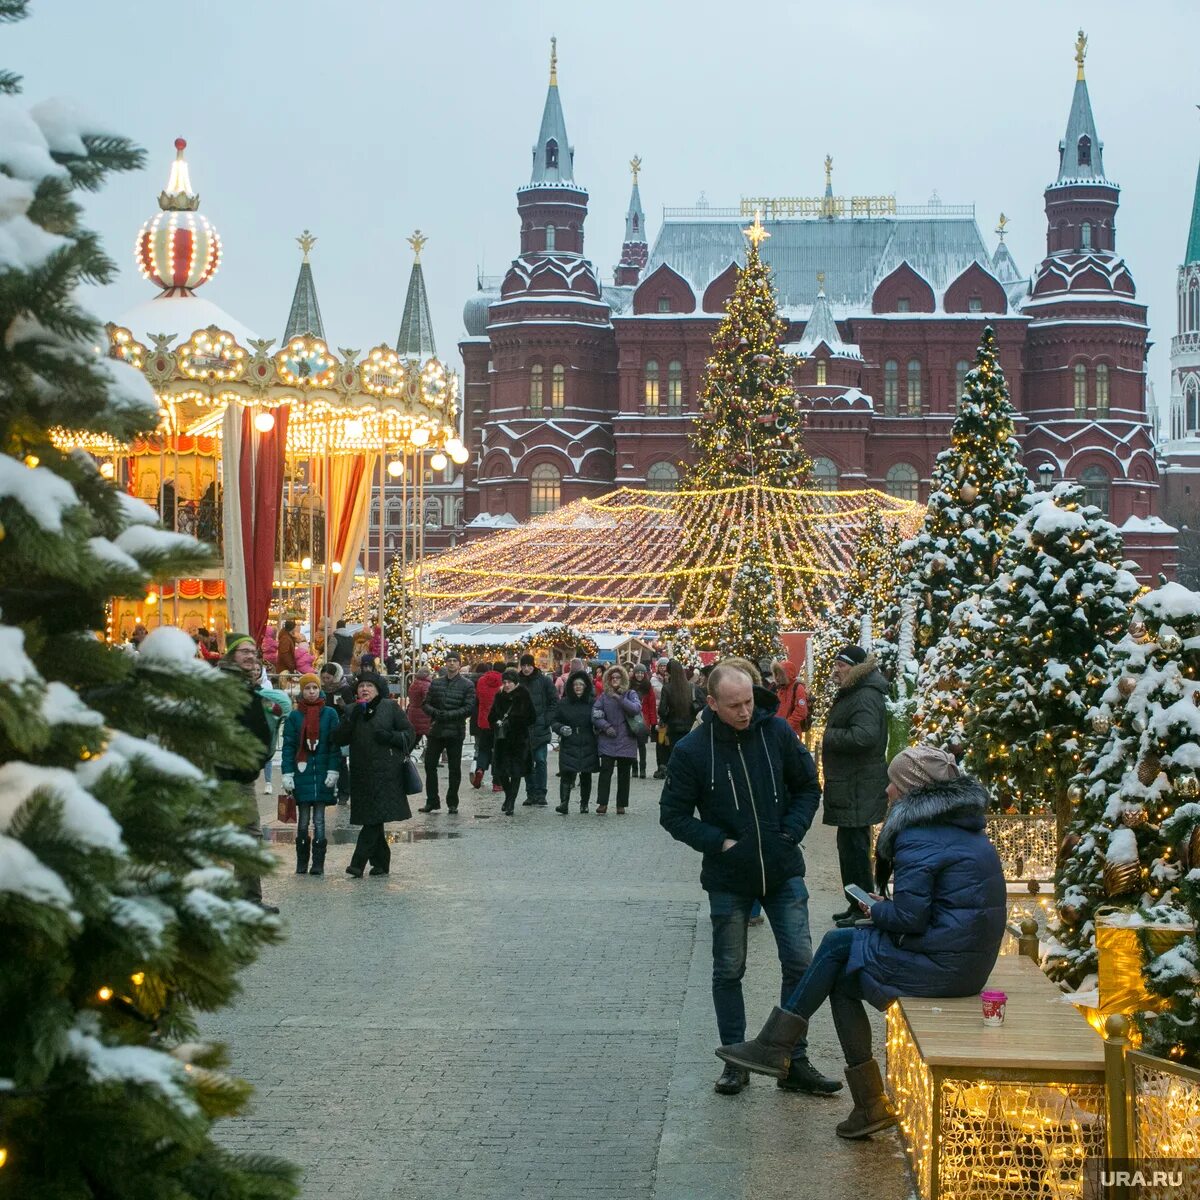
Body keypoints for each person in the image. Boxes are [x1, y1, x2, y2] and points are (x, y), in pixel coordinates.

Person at [715, 745, 1006, 1138]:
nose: (886, 790)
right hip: (963, 962)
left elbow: (910, 918)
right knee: (841, 976)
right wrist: (888, 909)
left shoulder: (919, 837)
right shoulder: (960, 829)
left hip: (945, 967)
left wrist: (877, 911)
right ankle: (867, 1104)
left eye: (893, 783)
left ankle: (775, 1045)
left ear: (911, 790)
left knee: (838, 944)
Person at [660, 663, 839, 1097]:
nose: (745, 712)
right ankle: (735, 1059)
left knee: (800, 963)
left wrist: (791, 831)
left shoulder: (775, 733)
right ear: (712, 704)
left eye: (749, 702)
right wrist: (718, 842)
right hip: (728, 879)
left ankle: (791, 1058)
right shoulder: (693, 750)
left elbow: (807, 787)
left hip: (782, 871)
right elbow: (673, 815)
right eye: (735, 705)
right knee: (729, 968)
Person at [822, 645, 889, 927]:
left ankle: (864, 908)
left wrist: (830, 735)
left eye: (841, 664)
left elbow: (865, 736)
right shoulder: (856, 693)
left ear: (856, 668)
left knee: (856, 851)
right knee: (848, 848)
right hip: (851, 785)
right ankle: (856, 903)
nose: (836, 669)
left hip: (858, 786)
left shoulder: (864, 696)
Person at [216, 633, 281, 914]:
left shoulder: (243, 685)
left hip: (240, 773)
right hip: (227, 773)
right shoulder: (225, 685)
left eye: (253, 652)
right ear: (230, 655)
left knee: (245, 836)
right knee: (244, 836)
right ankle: (243, 900)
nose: (250, 656)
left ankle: (245, 898)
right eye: (244, 651)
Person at [333, 670, 414, 877]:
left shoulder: (390, 707)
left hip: (387, 773)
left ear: (378, 690)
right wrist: (351, 719)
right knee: (374, 819)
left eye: (369, 686)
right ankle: (381, 864)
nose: (365, 689)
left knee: (373, 819)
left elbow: (409, 734)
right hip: (362, 773)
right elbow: (339, 739)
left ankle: (357, 864)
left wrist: (390, 737)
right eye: (361, 686)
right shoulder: (352, 710)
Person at [280, 672, 341, 875]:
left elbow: (334, 746)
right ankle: (301, 862)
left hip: (323, 773)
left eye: (315, 687)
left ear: (320, 689)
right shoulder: (294, 716)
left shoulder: (330, 714)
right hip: (301, 773)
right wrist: (287, 773)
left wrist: (334, 770)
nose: (312, 692)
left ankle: (318, 863)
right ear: (302, 691)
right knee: (303, 820)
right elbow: (288, 747)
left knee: (320, 821)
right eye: (307, 688)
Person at [419, 652, 476, 813]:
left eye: (454, 661)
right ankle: (432, 800)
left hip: (455, 731)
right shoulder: (436, 683)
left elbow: (469, 707)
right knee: (430, 765)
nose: (451, 664)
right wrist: (436, 713)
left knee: (454, 768)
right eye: (449, 661)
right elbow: (425, 703)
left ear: (459, 664)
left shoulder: (467, 685)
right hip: (436, 729)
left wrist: (451, 715)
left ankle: (452, 802)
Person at [591, 664, 641, 815]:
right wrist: (606, 727)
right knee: (605, 772)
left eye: (618, 677)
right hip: (608, 740)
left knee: (624, 774)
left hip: (626, 740)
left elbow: (636, 709)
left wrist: (620, 698)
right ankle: (602, 803)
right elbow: (595, 714)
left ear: (623, 678)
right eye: (612, 677)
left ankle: (621, 804)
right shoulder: (604, 697)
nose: (615, 680)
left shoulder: (630, 694)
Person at [550, 668, 600, 813]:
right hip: (569, 740)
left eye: (581, 684)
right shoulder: (564, 703)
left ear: (586, 687)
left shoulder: (592, 703)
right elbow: (554, 720)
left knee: (586, 774)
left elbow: (598, 720)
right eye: (575, 685)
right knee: (566, 773)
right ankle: (564, 803)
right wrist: (560, 728)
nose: (578, 687)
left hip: (587, 740)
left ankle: (584, 804)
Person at [489, 668, 535, 815]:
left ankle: (511, 803)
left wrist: (514, 721)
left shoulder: (524, 695)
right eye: (505, 682)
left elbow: (532, 717)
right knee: (501, 772)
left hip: (519, 739)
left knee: (515, 772)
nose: (507, 685)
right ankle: (508, 796)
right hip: (502, 739)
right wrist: (496, 722)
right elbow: (491, 716)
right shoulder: (499, 696)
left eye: (510, 682)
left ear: (516, 683)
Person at [516, 653, 558, 807]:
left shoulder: (544, 681)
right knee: (527, 762)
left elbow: (554, 701)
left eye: (529, 665)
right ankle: (530, 793)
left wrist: (547, 719)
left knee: (540, 760)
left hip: (540, 727)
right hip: (523, 729)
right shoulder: (517, 682)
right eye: (524, 665)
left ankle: (541, 793)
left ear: (533, 665)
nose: (526, 668)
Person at [656, 658, 701, 774]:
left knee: (673, 753)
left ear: (669, 672)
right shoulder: (691, 687)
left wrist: (666, 718)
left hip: (673, 727)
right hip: (690, 727)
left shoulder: (667, 688)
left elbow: (662, 710)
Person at [319, 662, 353, 804]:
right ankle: (326, 791)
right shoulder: (320, 690)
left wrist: (344, 706)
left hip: (339, 730)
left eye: (328, 678)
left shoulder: (344, 689)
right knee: (324, 760)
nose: (326, 681)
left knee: (340, 762)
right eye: (324, 678)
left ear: (335, 676)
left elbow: (351, 710)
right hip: (323, 729)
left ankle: (344, 792)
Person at [472, 660, 504, 790]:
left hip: (484, 721)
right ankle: (497, 782)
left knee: (484, 749)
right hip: (498, 722)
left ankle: (480, 769)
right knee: (498, 751)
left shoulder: (481, 681)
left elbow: (478, 698)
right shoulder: (504, 682)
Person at [629, 662, 657, 780]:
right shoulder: (629, 685)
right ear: (634, 674)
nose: (639, 675)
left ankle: (643, 769)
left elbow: (652, 705)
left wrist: (652, 722)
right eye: (637, 672)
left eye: (641, 672)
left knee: (642, 745)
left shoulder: (648, 686)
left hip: (644, 719)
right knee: (632, 745)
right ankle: (634, 768)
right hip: (632, 718)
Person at [772, 659, 810, 740]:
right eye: (776, 675)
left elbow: (801, 711)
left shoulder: (798, 688)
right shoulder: (781, 689)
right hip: (780, 731)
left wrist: (786, 725)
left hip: (792, 732)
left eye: (780, 675)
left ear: (787, 674)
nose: (777, 678)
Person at [407, 667, 433, 750]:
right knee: (433, 740)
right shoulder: (426, 685)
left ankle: (404, 757)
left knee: (415, 738)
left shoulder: (414, 683)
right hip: (424, 715)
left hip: (413, 713)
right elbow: (428, 699)